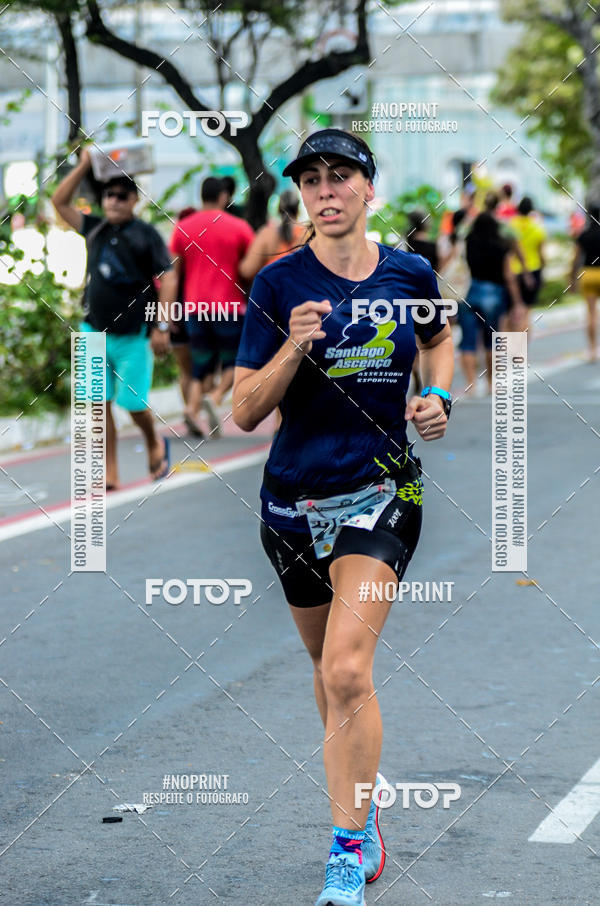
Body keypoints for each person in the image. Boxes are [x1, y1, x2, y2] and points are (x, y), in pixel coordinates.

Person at [232, 128, 453, 906]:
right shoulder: (277, 284)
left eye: (340, 177)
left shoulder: (409, 272)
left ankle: (346, 850)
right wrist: (293, 350)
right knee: (327, 674)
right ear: (301, 196)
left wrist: (437, 394)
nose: (325, 192)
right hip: (292, 503)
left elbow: (440, 337)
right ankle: (364, 791)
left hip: (383, 489)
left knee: (349, 669)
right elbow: (243, 410)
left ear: (368, 188)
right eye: (311, 181)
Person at [51, 149, 176, 488]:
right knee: (97, 405)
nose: (114, 201)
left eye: (122, 196)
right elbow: (59, 202)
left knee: (133, 404)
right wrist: (83, 165)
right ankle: (110, 469)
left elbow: (169, 278)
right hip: (93, 331)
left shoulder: (146, 234)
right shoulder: (94, 228)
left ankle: (152, 440)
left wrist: (162, 326)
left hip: (133, 335)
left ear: (134, 200)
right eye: (109, 195)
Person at [170, 176, 254, 437]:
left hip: (195, 308)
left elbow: (172, 274)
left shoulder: (183, 228)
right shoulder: (239, 227)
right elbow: (251, 268)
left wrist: (168, 312)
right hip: (229, 307)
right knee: (234, 363)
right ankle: (215, 397)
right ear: (223, 197)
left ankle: (191, 410)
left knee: (200, 367)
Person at [458, 212, 525, 394]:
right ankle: (490, 384)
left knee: (468, 341)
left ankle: (471, 385)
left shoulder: (469, 243)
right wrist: (517, 301)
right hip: (494, 294)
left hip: (470, 291)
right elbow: (509, 276)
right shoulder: (500, 246)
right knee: (492, 340)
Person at [238, 189, 306, 282]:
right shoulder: (307, 235)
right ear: (298, 209)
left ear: (278, 209)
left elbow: (247, 271)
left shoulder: (267, 234)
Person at [169, 207, 196, 421]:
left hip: (176, 312)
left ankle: (190, 411)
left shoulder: (172, 251)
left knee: (185, 371)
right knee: (201, 370)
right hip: (199, 312)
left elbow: (166, 282)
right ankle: (192, 411)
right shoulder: (202, 251)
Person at [509, 196, 546, 333]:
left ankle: (512, 343)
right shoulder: (537, 228)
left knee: (513, 311)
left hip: (513, 271)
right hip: (533, 270)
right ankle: (523, 344)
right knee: (527, 312)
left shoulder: (511, 225)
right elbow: (541, 254)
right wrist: (544, 267)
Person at [571, 204, 600, 361]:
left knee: (591, 313)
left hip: (588, 274)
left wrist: (572, 279)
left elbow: (576, 259)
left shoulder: (584, 235)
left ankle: (592, 350)